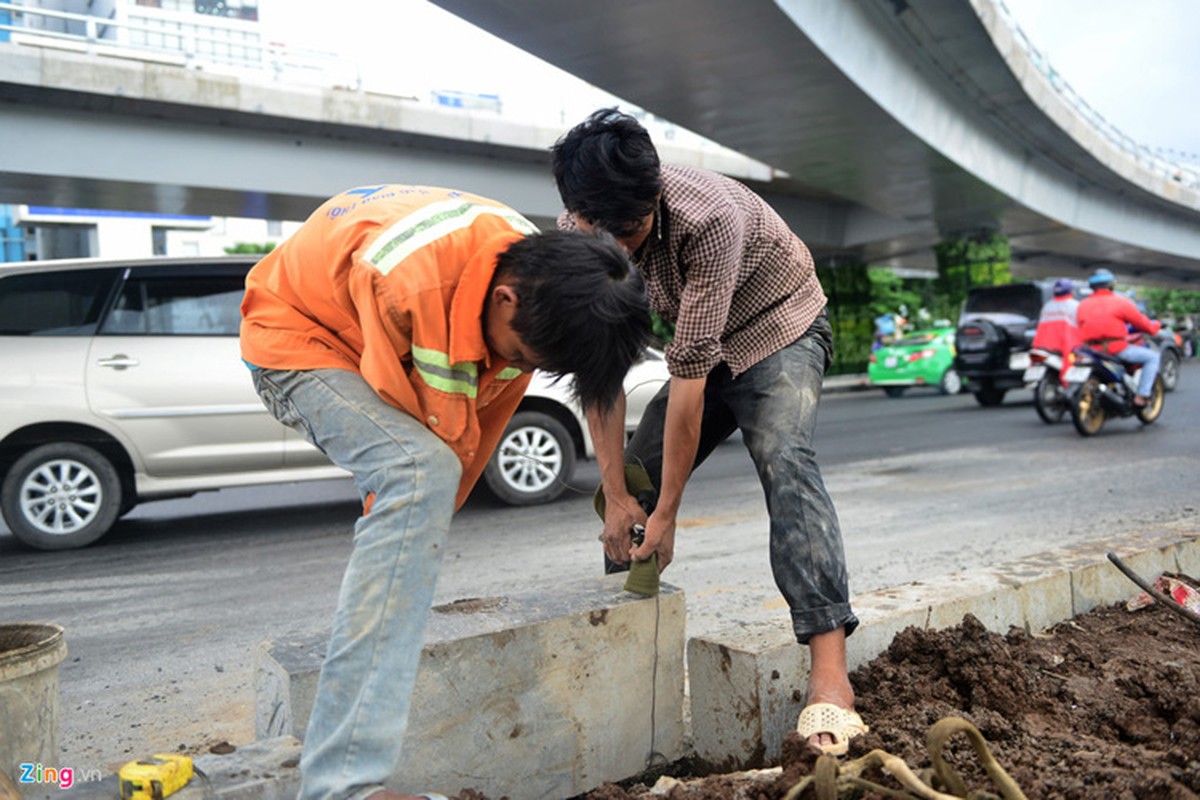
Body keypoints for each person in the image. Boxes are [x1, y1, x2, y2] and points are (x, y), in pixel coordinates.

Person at [240, 183, 651, 800]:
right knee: (415, 476)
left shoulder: (529, 285)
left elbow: (472, 432)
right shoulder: (411, 284)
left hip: (367, 313)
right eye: (518, 351)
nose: (514, 363)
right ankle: (341, 786)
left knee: (422, 489)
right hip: (296, 335)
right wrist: (410, 517)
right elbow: (422, 455)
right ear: (506, 299)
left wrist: (418, 534)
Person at [551, 108, 865, 755]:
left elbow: (691, 381)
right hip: (706, 348)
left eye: (632, 232)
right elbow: (600, 372)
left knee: (785, 456)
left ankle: (831, 672)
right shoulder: (582, 228)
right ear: (578, 215)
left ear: (653, 195)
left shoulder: (708, 218)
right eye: (598, 234)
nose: (618, 250)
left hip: (779, 329)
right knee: (632, 474)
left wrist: (669, 513)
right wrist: (618, 495)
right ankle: (630, 649)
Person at [1076, 268, 1162, 406]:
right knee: (1153, 357)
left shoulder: (1082, 305)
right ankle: (1142, 396)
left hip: (1090, 351)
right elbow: (1142, 323)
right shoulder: (1121, 302)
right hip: (1116, 349)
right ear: (1111, 284)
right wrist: (1155, 326)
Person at [1032, 279, 1080, 382]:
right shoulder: (1075, 305)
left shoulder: (1047, 306)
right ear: (1071, 291)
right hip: (1066, 347)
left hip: (1044, 346)